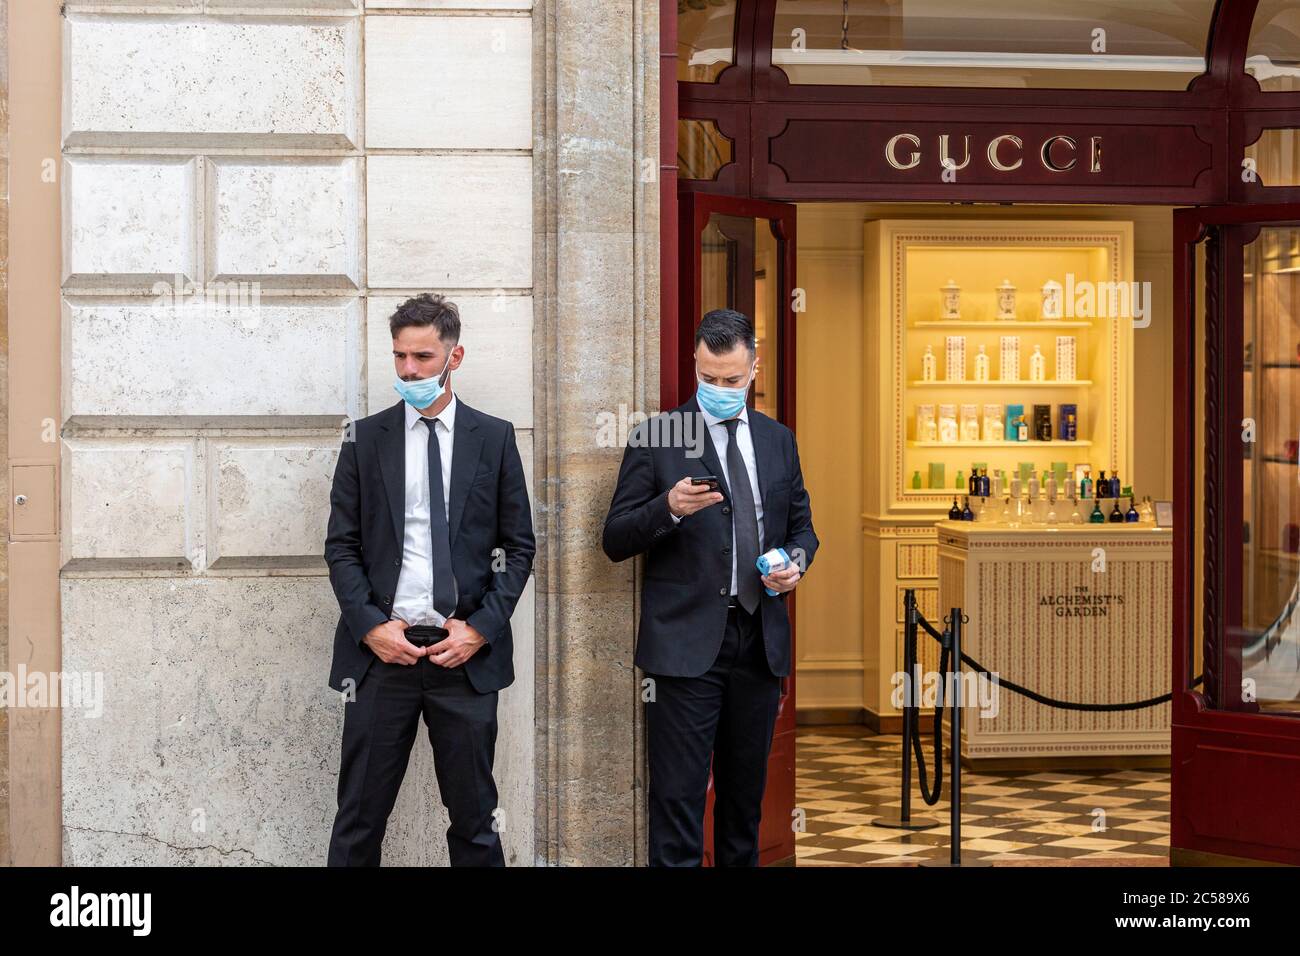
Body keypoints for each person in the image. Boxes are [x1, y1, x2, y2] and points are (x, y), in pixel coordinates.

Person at [602, 307, 818, 866]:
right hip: (685, 649)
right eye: (708, 378)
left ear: (754, 369)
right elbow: (616, 538)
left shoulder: (778, 441)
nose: (719, 389)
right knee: (676, 805)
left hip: (759, 641)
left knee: (744, 808)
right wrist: (667, 508)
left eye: (731, 380)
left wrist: (793, 564)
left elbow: (803, 530)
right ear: (694, 365)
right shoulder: (657, 436)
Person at [325, 292, 534, 866]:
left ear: (454, 356)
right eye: (400, 357)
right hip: (380, 659)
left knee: (475, 823)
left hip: (462, 658)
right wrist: (370, 627)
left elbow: (518, 548)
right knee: (358, 821)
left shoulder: (493, 438)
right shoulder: (365, 440)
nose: (409, 370)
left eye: (422, 356)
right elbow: (340, 546)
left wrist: (480, 630)